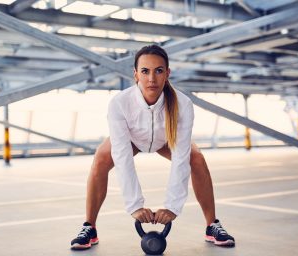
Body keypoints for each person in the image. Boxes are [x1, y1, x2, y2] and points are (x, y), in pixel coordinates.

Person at [70, 44, 235, 250]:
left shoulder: (183, 105)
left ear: (167, 73)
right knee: (101, 159)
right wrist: (135, 206)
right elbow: (122, 156)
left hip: (166, 139)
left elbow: (180, 158)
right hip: (132, 139)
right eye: (145, 71)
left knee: (197, 159)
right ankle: (89, 227)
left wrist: (172, 207)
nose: (151, 78)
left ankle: (212, 225)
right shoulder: (119, 103)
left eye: (158, 71)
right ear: (136, 74)